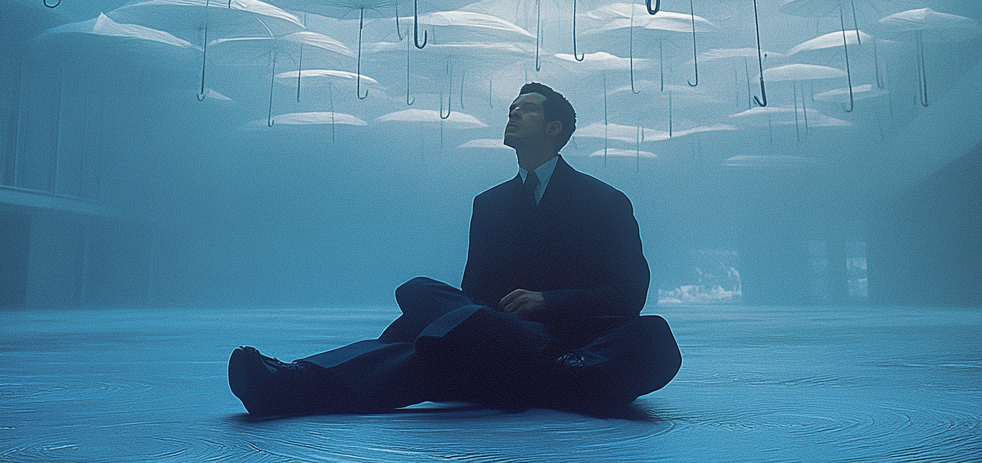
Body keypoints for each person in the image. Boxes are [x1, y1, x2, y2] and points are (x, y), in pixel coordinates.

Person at [228, 83, 681, 416]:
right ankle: (291, 379)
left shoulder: (605, 201)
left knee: (652, 335)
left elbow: (628, 295)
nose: (513, 114)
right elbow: (474, 292)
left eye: (525, 109)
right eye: (511, 108)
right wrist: (487, 319)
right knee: (423, 294)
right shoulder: (488, 204)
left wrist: (548, 302)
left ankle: (293, 384)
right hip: (493, 331)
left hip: (570, 339)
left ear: (554, 128)